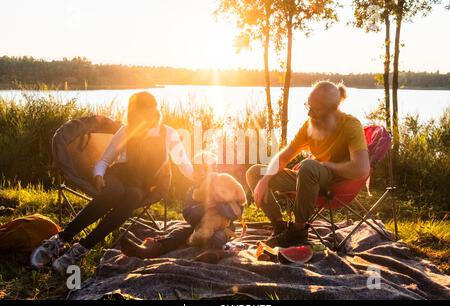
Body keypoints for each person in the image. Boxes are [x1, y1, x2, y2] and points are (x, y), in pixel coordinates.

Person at [31, 92, 193, 272]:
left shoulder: (168, 133)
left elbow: (183, 163)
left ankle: (81, 248)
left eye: (149, 113)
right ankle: (60, 239)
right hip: (119, 175)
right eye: (139, 114)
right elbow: (105, 161)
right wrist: (99, 175)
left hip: (143, 184)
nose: (145, 118)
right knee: (114, 192)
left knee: (132, 196)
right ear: (133, 114)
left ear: (155, 112)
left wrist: (202, 178)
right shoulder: (126, 130)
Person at [246, 81, 370, 247]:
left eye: (315, 109)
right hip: (309, 176)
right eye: (308, 106)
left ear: (332, 109)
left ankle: (298, 232)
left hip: (334, 179)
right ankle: (280, 227)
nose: (309, 113)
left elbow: (362, 169)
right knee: (255, 172)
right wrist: (265, 180)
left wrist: (329, 166)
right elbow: (284, 156)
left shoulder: (351, 125)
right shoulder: (309, 126)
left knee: (308, 165)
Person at [120, 151, 243, 263]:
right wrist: (203, 207)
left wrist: (219, 206)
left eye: (205, 169)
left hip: (224, 227)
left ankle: (213, 252)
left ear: (215, 170)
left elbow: (237, 210)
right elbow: (187, 214)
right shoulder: (193, 191)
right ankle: (150, 249)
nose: (201, 173)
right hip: (198, 227)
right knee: (178, 232)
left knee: (219, 236)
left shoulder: (226, 185)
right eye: (198, 169)